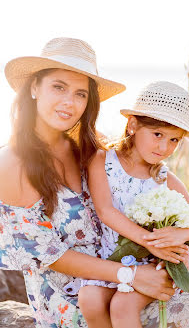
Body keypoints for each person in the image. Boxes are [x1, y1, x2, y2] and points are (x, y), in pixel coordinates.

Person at [0, 38, 179, 328]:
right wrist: (131, 276)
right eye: (58, 87)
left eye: (80, 94)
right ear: (34, 88)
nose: (69, 102)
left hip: (123, 282)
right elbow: (52, 255)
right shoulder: (11, 164)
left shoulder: (91, 152)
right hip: (73, 300)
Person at [77, 81, 189, 328]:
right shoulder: (103, 161)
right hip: (118, 259)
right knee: (89, 298)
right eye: (157, 135)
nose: (164, 147)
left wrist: (177, 235)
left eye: (174, 140)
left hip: (159, 262)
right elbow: (106, 210)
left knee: (123, 306)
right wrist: (150, 242)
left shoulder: (163, 177)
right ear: (132, 125)